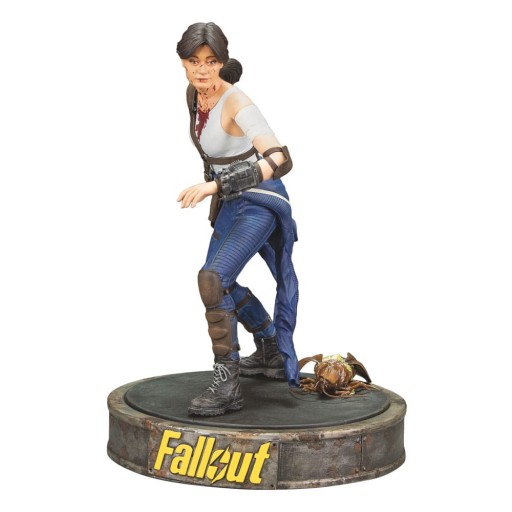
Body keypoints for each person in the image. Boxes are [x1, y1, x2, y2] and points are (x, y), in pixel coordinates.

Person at [176, 22, 300, 416]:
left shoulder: (236, 102)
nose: (202, 70)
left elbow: (280, 158)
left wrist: (214, 186)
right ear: (183, 62)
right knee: (217, 283)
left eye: (211, 62)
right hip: (231, 203)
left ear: (221, 62)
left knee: (213, 279)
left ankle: (228, 387)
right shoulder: (194, 96)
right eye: (194, 61)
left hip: (260, 201)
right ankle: (268, 348)